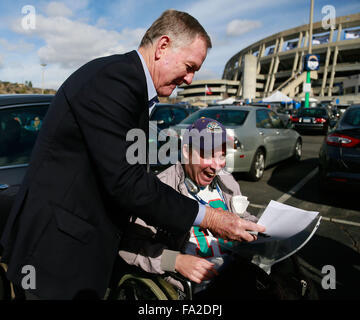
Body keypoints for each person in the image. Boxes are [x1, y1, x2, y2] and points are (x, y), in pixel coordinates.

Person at [0, 10, 264, 300]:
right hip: (55, 255)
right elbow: (127, 182)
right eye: (189, 67)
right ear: (163, 46)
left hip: (75, 251)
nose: (190, 79)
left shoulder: (129, 84)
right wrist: (211, 218)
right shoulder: (115, 81)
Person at [119, 118, 272, 299]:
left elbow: (242, 216)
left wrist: (258, 228)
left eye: (221, 155)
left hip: (237, 272)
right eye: (207, 155)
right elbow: (129, 246)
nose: (216, 166)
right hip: (197, 291)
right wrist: (175, 261)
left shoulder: (227, 181)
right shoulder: (160, 188)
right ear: (186, 152)